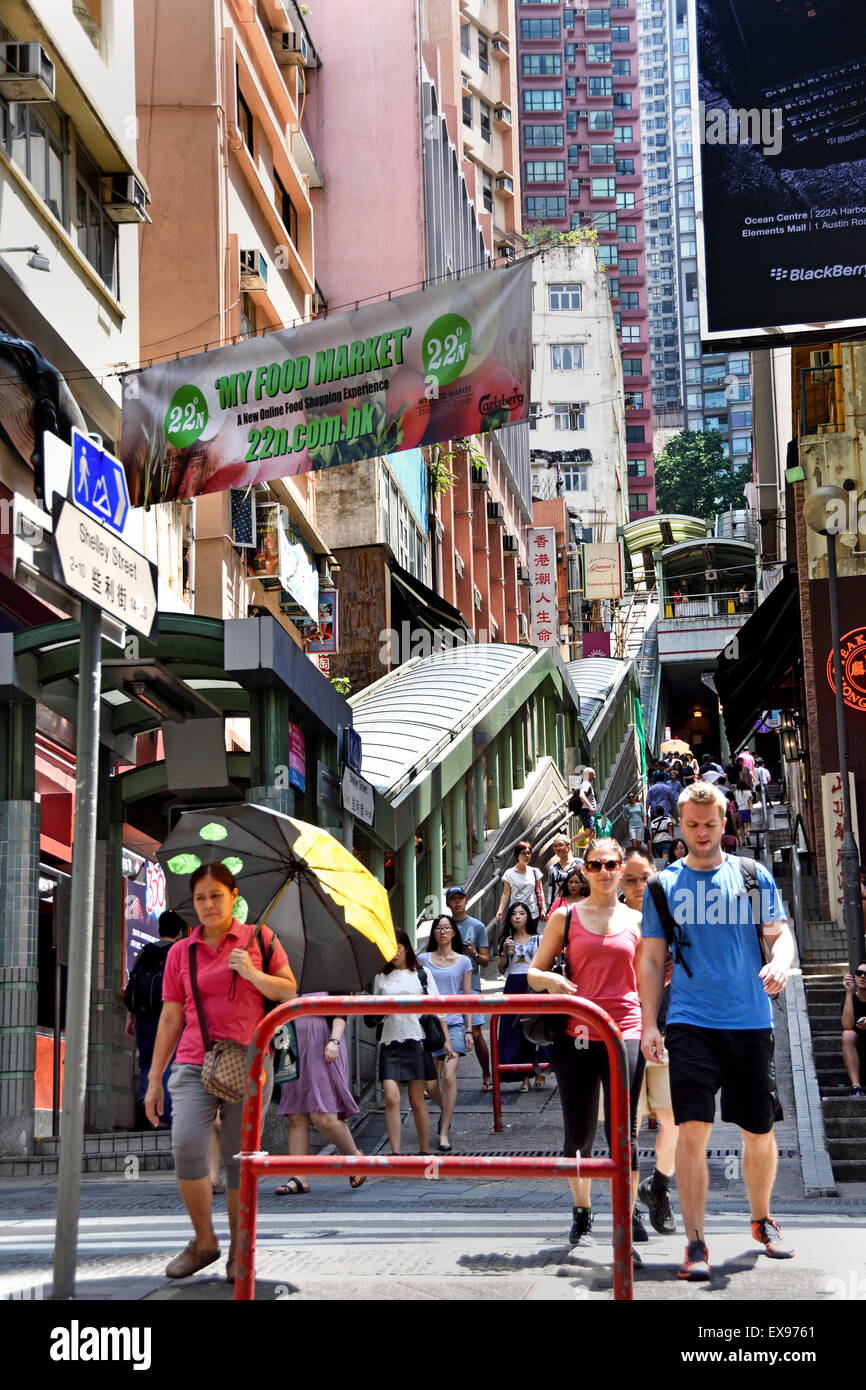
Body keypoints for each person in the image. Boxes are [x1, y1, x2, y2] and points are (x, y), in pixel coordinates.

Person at [640, 781, 796, 1280]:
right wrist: (648, 1022)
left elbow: (780, 935)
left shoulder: (752, 877)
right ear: (679, 826)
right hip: (691, 1022)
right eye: (693, 825)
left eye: (710, 824)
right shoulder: (663, 887)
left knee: (758, 1130)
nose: (702, 833)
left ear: (724, 823)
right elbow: (651, 958)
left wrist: (782, 964)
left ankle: (761, 1218)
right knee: (691, 1129)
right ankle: (695, 1242)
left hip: (750, 1019)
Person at [145, 863, 296, 1281]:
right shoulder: (181, 952)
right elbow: (171, 1016)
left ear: (233, 897)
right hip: (194, 1060)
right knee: (187, 1145)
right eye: (200, 898)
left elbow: (288, 991)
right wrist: (155, 1078)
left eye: (216, 895)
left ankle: (238, 1250)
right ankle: (204, 1241)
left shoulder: (260, 939)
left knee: (238, 1159)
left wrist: (250, 971)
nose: (208, 904)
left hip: (248, 1062)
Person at [528, 838, 646, 1263]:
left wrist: (654, 1029)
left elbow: (650, 977)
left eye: (611, 864)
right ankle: (582, 1210)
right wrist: (554, 982)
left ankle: (624, 1225)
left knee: (625, 1136)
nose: (603, 871)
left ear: (621, 869)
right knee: (578, 1133)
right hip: (578, 1030)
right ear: (585, 869)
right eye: (595, 864)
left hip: (626, 1030)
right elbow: (533, 972)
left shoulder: (637, 918)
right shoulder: (566, 916)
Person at [621, 848, 677, 1238]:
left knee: (675, 1119)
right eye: (631, 879)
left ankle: (658, 1187)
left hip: (668, 1029)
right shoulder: (615, 922)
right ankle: (629, 1212)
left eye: (645, 878)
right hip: (626, 1031)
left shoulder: (671, 910)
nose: (640, 887)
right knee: (631, 1126)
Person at [276, 996, 367, 1196]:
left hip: (324, 1043)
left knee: (324, 1116)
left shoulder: (329, 970)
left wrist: (334, 1040)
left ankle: (355, 1157)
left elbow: (341, 1009)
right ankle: (298, 1177)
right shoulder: (288, 971)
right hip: (289, 1043)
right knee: (296, 1114)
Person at [369, 931, 444, 1154]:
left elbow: (438, 1008)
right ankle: (396, 1153)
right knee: (391, 1098)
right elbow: (372, 1011)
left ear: (407, 948)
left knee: (417, 1100)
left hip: (416, 1039)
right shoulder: (381, 977)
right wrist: (382, 1012)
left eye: (397, 947)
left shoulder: (422, 974)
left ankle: (424, 1151)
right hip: (389, 1041)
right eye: (389, 949)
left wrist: (447, 1041)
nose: (393, 953)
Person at [124, 910, 186, 1127]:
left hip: (142, 1015)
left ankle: (146, 1108)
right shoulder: (179, 951)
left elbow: (133, 985)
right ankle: (163, 1114)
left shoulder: (145, 951)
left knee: (147, 1060)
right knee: (168, 1058)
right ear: (179, 932)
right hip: (168, 1013)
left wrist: (130, 1017)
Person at [417, 916, 474, 1152]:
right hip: (430, 1027)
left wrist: (469, 1029)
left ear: (453, 933)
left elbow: (468, 999)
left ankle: (444, 1131)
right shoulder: (423, 960)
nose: (442, 932)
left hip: (454, 1024)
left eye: (447, 928)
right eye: (439, 928)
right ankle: (446, 1111)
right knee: (431, 1086)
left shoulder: (463, 962)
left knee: (449, 1077)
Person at [445, 886, 492, 1092]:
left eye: (461, 898)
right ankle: (441, 1079)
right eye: (453, 899)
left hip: (471, 986)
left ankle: (486, 1073)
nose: (457, 902)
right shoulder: (443, 925)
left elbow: (485, 961)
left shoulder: (478, 926)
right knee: (443, 1033)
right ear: (447, 903)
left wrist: (472, 953)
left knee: (475, 1032)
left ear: (466, 901)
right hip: (447, 986)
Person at [497, 903, 547, 1092]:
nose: (517, 917)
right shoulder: (506, 939)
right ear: (509, 918)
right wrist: (504, 952)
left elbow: (545, 964)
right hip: (513, 985)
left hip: (533, 984)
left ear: (528, 916)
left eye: (522, 913)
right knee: (514, 1031)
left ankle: (541, 1071)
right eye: (514, 914)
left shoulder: (538, 939)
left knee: (538, 1029)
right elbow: (502, 969)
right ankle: (523, 1078)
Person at [495, 841, 545, 929]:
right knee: (516, 940)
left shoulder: (535, 872)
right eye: (523, 853)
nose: (527, 856)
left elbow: (540, 892)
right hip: (516, 913)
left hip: (532, 913)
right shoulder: (509, 873)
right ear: (517, 856)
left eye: (528, 853)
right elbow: (506, 894)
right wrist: (500, 910)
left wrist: (543, 908)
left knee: (531, 940)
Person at [841, 963, 866, 1098]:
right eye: (859, 973)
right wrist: (849, 992)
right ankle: (856, 1087)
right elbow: (847, 1025)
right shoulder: (850, 999)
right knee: (847, 1034)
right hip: (857, 1053)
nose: (862, 976)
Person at [546, 832, 582, 910]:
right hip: (560, 907)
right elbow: (551, 891)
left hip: (578, 906)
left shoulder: (579, 863)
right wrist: (549, 909)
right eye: (555, 846)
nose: (558, 848)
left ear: (568, 847)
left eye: (560, 845)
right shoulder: (553, 868)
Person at [576, 767, 598, 831]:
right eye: (592, 774)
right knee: (591, 832)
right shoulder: (586, 784)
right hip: (587, 811)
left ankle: (569, 841)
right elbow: (582, 795)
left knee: (589, 832)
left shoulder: (585, 784)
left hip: (587, 811)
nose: (594, 776)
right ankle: (569, 840)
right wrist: (590, 807)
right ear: (588, 774)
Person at [734, 779, 753, 849]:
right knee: (748, 825)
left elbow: (735, 802)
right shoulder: (748, 792)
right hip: (746, 810)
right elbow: (750, 802)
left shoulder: (735, 793)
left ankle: (743, 841)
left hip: (739, 811)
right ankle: (748, 836)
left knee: (741, 827)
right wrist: (752, 810)